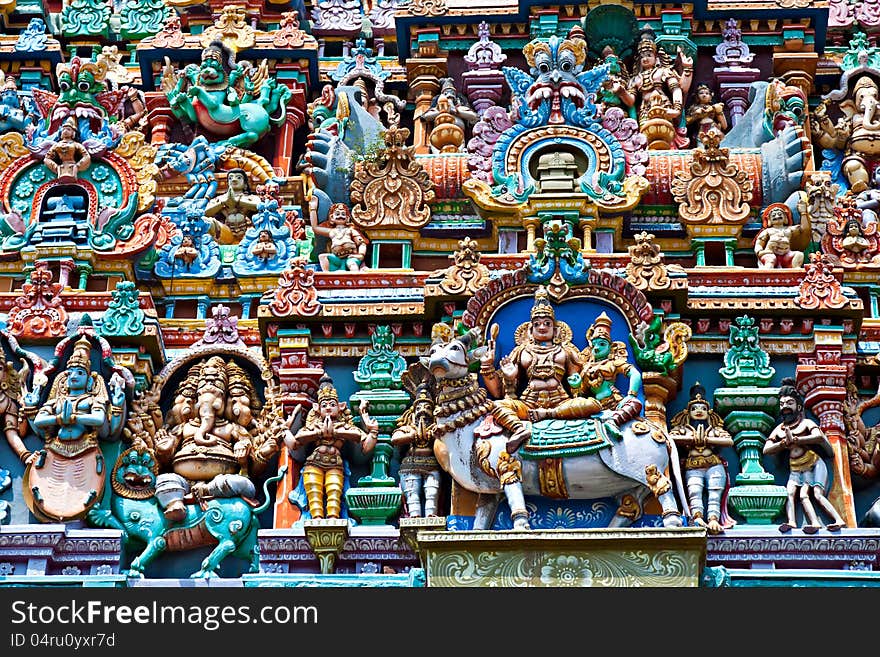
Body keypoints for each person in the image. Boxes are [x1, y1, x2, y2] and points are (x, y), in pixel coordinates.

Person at [479, 286, 594, 452]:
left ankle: (549, 415)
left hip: (560, 403)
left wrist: (577, 384)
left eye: (547, 323)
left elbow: (579, 387)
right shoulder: (520, 352)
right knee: (497, 406)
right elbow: (497, 392)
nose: (542, 327)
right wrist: (493, 368)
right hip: (529, 405)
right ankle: (519, 429)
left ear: (556, 330)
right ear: (530, 330)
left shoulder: (566, 351)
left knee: (592, 404)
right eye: (537, 324)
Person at [286, 376, 377, 519]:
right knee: (314, 494)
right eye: (324, 405)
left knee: (334, 491)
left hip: (335, 464)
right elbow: (296, 441)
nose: (328, 407)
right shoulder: (314, 425)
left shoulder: (345, 426)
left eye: (332, 404)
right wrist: (315, 432)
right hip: (314, 463)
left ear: (340, 407)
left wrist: (373, 431)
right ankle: (315, 519)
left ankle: (334, 518)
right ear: (317, 409)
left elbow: (364, 445)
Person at [763, 377, 846, 533]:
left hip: (813, 464)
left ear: (799, 407)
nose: (785, 407)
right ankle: (793, 522)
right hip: (795, 467)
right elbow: (766, 449)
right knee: (790, 493)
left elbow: (820, 438)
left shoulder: (805, 424)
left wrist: (798, 439)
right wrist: (781, 444)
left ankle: (838, 520)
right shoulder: (780, 429)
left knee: (815, 494)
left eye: (789, 403)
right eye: (782, 404)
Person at [668, 383, 733, 534]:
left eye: (703, 409)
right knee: (695, 492)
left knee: (715, 493)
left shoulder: (714, 429)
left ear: (709, 412)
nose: (699, 411)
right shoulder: (683, 428)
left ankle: (714, 520)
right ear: (687, 412)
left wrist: (706, 440)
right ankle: (697, 518)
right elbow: (671, 438)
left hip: (713, 464)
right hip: (693, 465)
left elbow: (728, 441)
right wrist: (691, 439)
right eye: (694, 408)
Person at [391, 384, 441, 517]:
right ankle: (414, 517)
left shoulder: (435, 428)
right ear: (412, 413)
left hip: (432, 466)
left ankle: (431, 517)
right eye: (419, 408)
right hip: (410, 466)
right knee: (412, 494)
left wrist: (436, 434)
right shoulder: (408, 428)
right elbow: (395, 439)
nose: (423, 411)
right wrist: (411, 436)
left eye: (428, 408)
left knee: (432, 493)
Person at [308, 199, 368, 272]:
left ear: (347, 218)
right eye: (337, 214)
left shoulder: (350, 230)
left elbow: (362, 243)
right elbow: (315, 228)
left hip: (351, 256)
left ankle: (356, 278)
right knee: (322, 257)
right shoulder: (331, 232)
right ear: (332, 218)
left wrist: (361, 255)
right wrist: (313, 209)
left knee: (351, 263)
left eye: (343, 214)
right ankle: (327, 275)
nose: (340, 216)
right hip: (337, 257)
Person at [754, 203, 809, 268]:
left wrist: (803, 213)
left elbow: (804, 229)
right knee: (771, 260)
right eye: (773, 215)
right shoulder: (768, 231)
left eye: (780, 214)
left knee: (799, 255)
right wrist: (759, 252)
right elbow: (759, 243)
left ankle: (795, 273)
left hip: (786, 254)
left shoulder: (789, 229)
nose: (777, 216)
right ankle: (767, 275)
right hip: (770, 253)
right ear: (769, 220)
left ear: (785, 218)